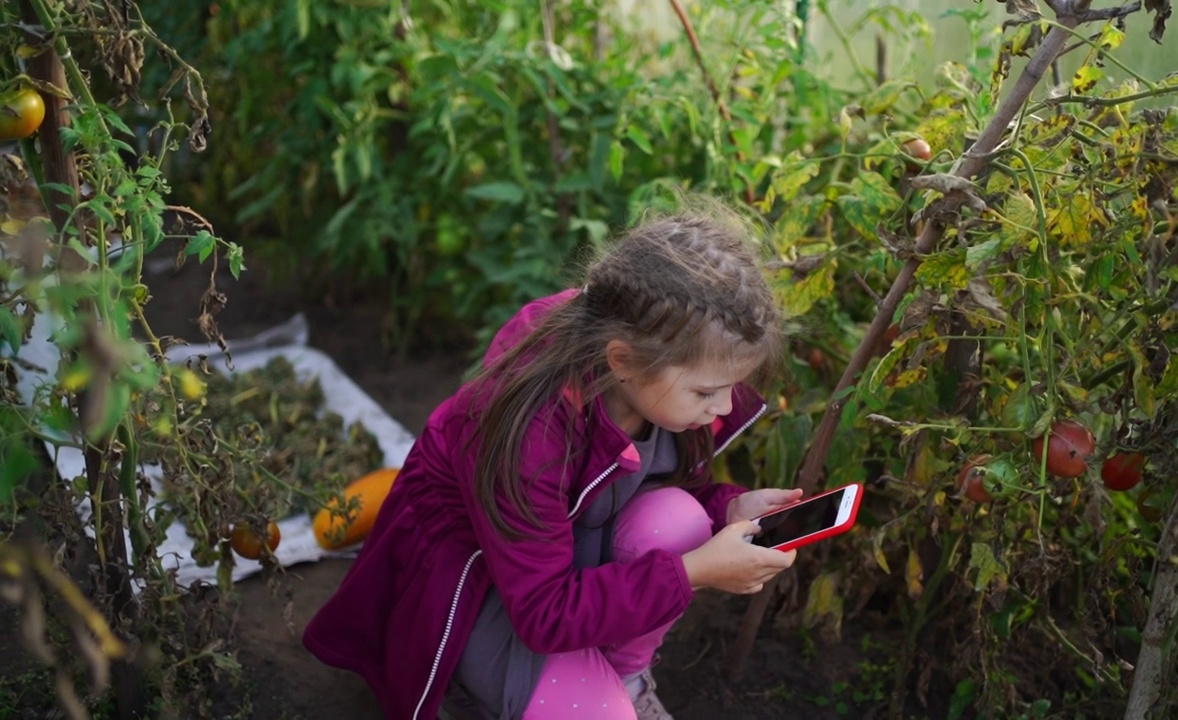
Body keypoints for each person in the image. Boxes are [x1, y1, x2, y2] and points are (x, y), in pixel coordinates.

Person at [303, 197, 803, 720]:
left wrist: (728, 509)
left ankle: (624, 677)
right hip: (478, 591)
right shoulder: (529, 430)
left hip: (555, 568)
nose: (724, 407)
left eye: (730, 389)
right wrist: (693, 573)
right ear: (623, 361)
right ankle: (463, 689)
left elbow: (673, 486)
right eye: (707, 393)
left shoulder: (659, 378)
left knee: (682, 519)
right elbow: (543, 612)